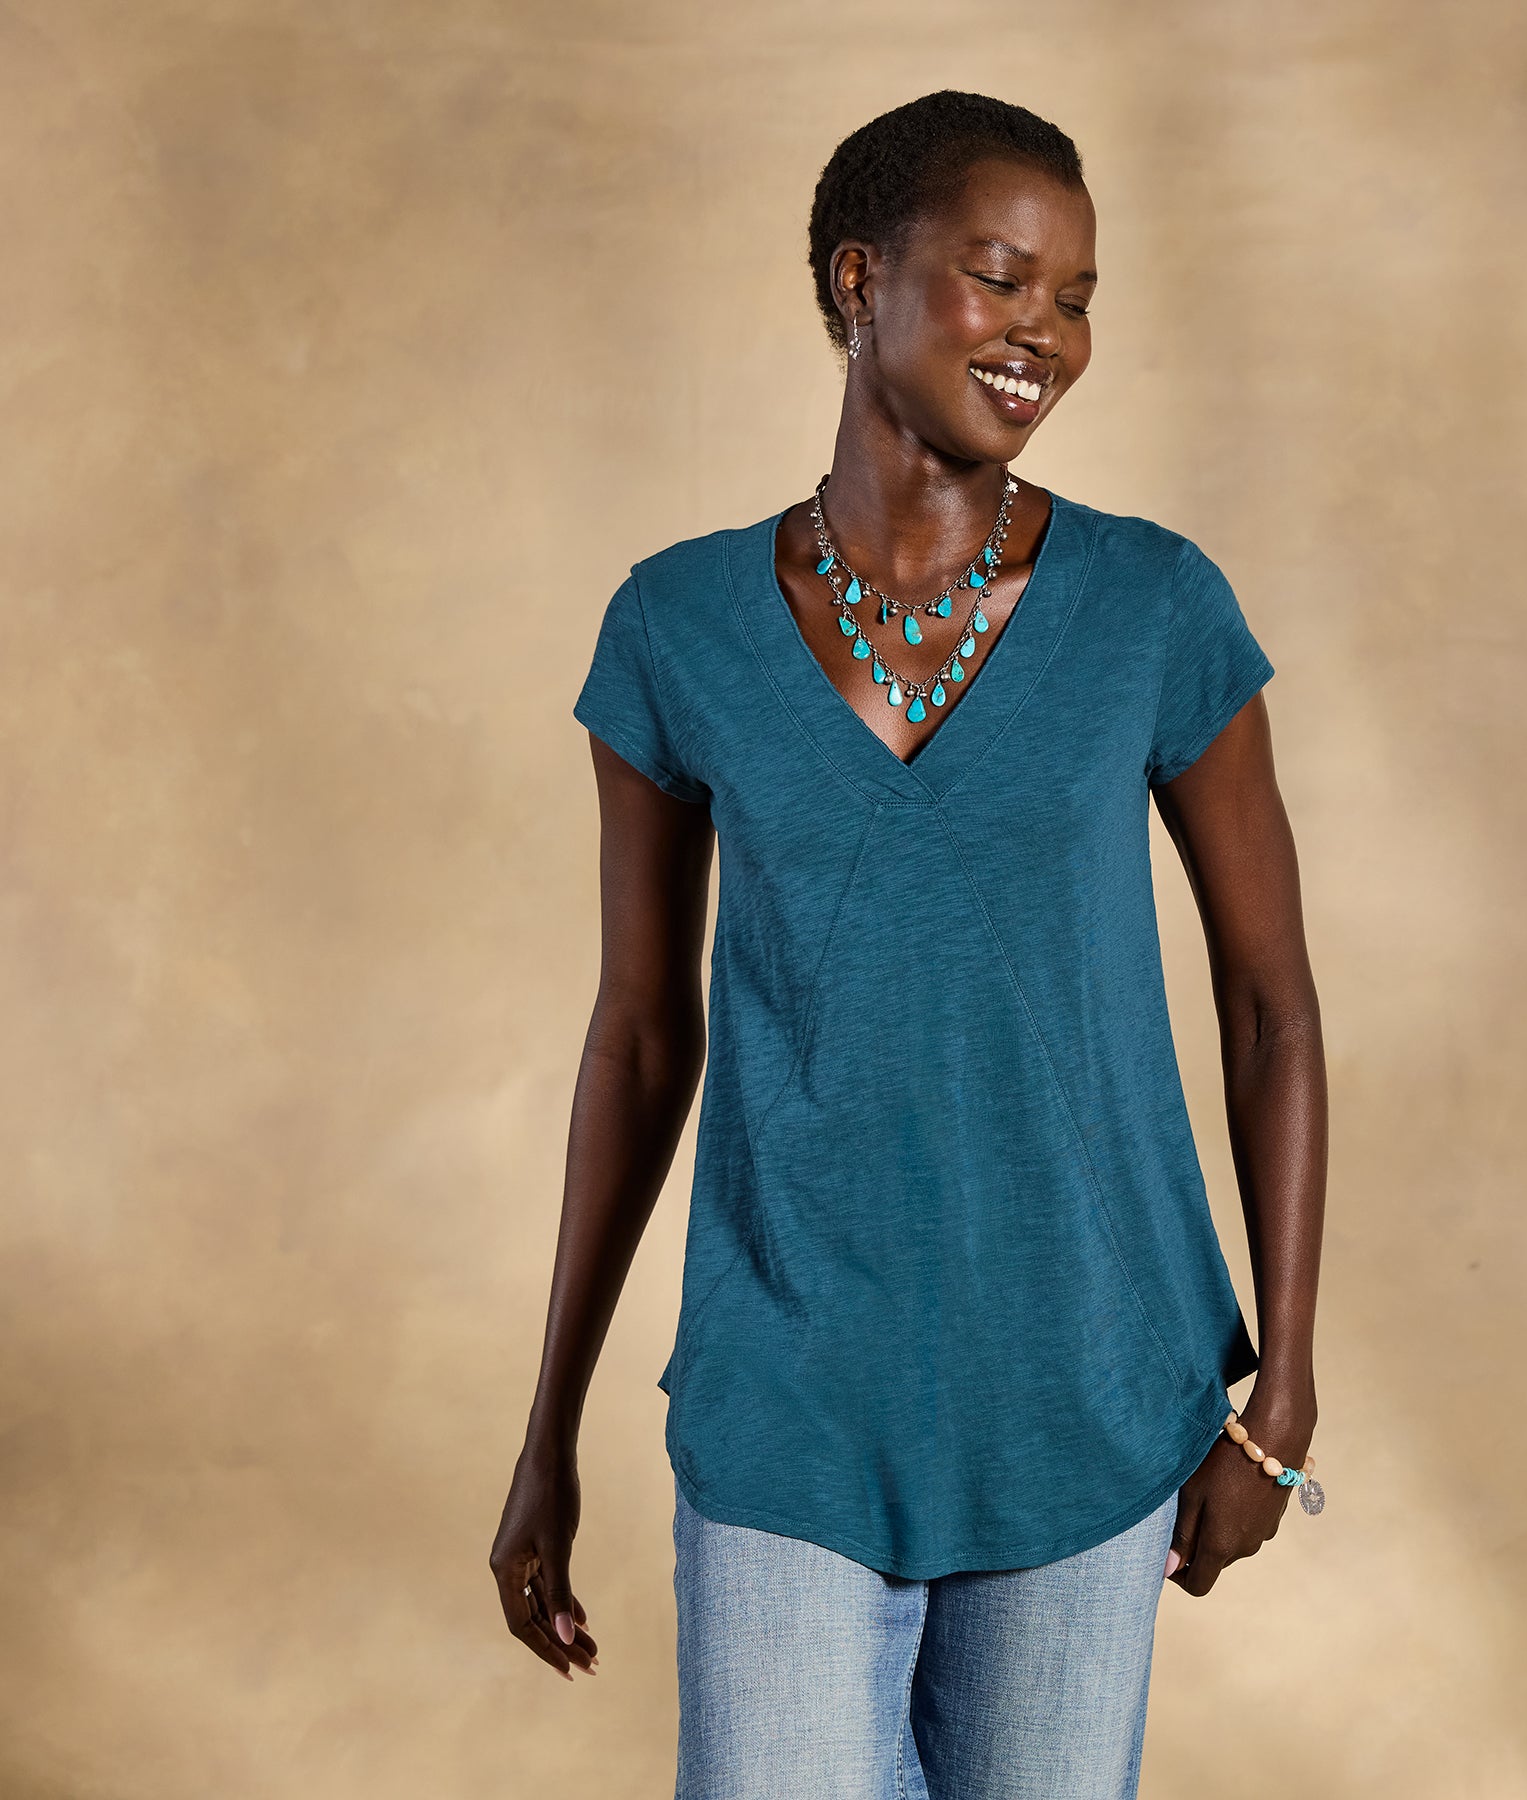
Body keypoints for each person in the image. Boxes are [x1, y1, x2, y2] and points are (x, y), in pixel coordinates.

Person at [490, 89, 1328, 1800]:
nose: (1045, 334)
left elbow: (1272, 1006)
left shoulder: (1153, 607)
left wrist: (1282, 1399)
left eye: (1075, 298)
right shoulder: (676, 626)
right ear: (860, 279)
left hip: (1082, 1397)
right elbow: (638, 1037)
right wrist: (547, 1429)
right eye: (1001, 279)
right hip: (789, 1403)